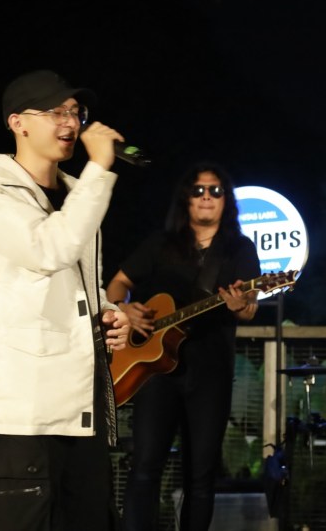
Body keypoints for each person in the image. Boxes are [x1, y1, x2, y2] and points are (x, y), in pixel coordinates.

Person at [0, 69, 131, 531]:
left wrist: (107, 312)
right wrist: (100, 169)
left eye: (76, 112)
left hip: (81, 405)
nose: (71, 122)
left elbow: (81, 283)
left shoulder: (77, 192)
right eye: (56, 111)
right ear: (17, 122)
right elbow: (47, 251)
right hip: (24, 408)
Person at [106, 162, 261, 531]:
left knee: (201, 475)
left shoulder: (239, 248)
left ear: (226, 201)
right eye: (198, 190)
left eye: (216, 191)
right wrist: (125, 307)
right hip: (155, 374)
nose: (207, 197)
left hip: (211, 373)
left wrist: (240, 304)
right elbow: (117, 284)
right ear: (186, 199)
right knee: (145, 465)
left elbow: (249, 307)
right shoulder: (161, 244)